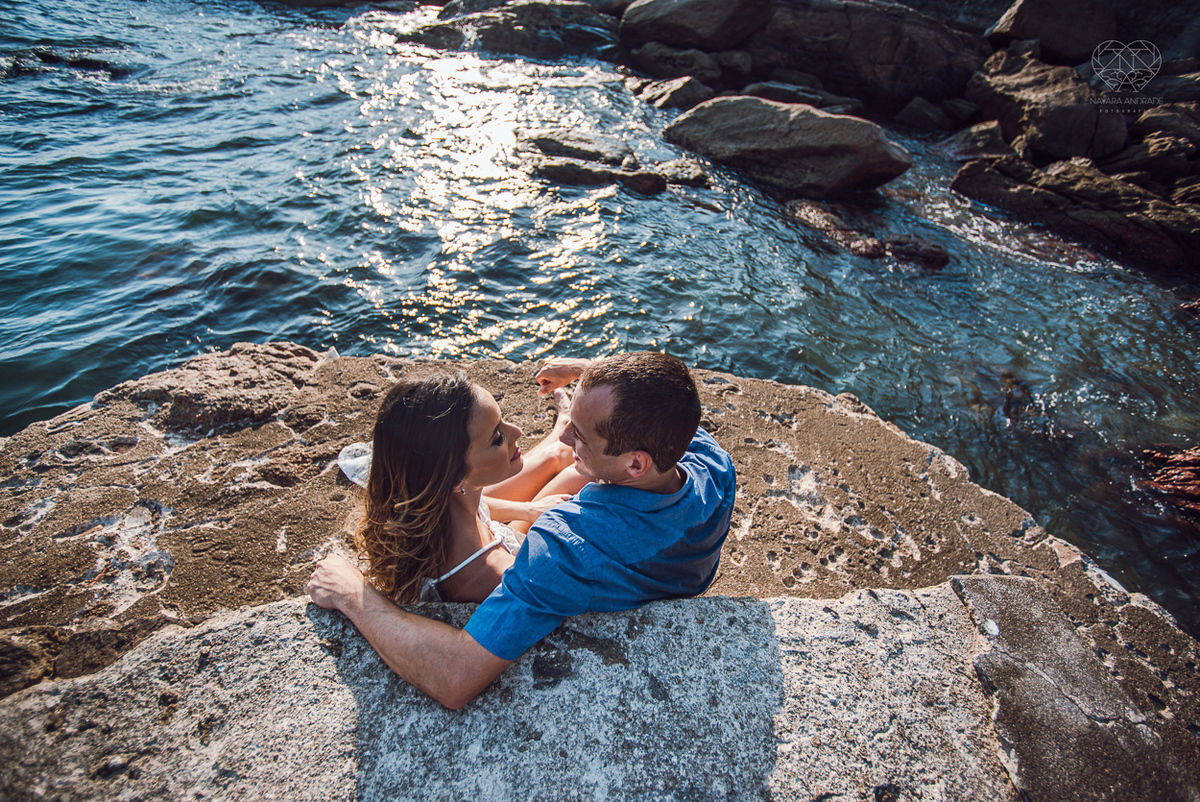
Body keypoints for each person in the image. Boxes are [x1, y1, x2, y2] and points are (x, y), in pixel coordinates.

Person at [308, 352, 737, 709]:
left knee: (560, 467)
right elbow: (659, 400)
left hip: (602, 550)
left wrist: (353, 595)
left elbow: (455, 676)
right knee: (564, 464)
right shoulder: (713, 462)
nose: (567, 438)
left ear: (635, 463)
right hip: (675, 557)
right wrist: (586, 375)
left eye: (578, 435)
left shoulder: (562, 547)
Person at [345, 370, 586, 605]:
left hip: (482, 529)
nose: (517, 431)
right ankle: (562, 432)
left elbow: (479, 505)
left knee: (556, 455)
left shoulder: (432, 504)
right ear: (455, 477)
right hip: (493, 548)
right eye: (497, 438)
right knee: (576, 474)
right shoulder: (496, 574)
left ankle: (560, 428)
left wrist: (528, 510)